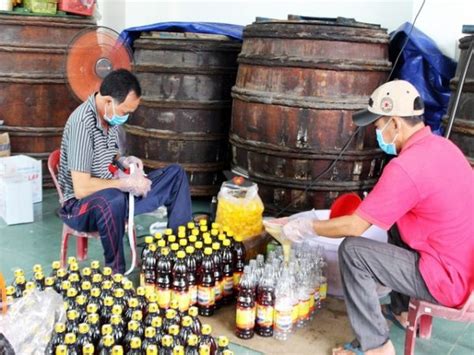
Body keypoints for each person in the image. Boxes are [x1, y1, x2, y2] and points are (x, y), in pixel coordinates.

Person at [283, 80, 473, 355]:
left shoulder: (406, 167)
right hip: (465, 269)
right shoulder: (444, 148)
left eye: (378, 125)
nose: (377, 133)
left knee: (353, 251)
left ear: (395, 124)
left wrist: (304, 227)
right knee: (397, 225)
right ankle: (402, 310)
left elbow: (354, 226)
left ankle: (376, 346)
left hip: (446, 281)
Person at [58, 69, 192, 274]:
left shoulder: (109, 118)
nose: (126, 117)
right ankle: (115, 272)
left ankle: (180, 252)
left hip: (115, 195)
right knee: (112, 200)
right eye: (125, 112)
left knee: (175, 175)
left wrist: (124, 162)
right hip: (80, 208)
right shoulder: (82, 125)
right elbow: (81, 189)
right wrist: (124, 184)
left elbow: (110, 154)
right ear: (108, 101)